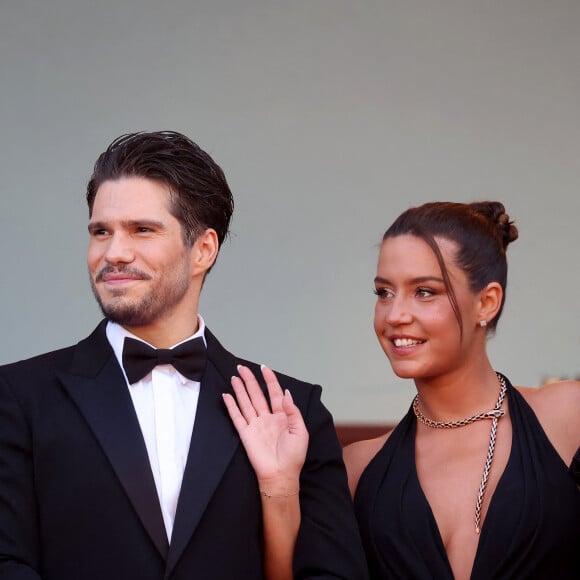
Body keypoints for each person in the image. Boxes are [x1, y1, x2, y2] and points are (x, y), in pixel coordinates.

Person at [0, 131, 368, 580]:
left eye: (142, 230)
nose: (114, 252)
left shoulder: (293, 409)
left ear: (203, 250)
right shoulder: (17, 398)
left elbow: (332, 573)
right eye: (101, 232)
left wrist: (278, 490)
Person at [227, 200, 580, 579]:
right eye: (384, 293)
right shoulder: (357, 470)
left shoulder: (567, 415)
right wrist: (279, 488)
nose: (395, 315)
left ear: (486, 302)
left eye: (425, 292)